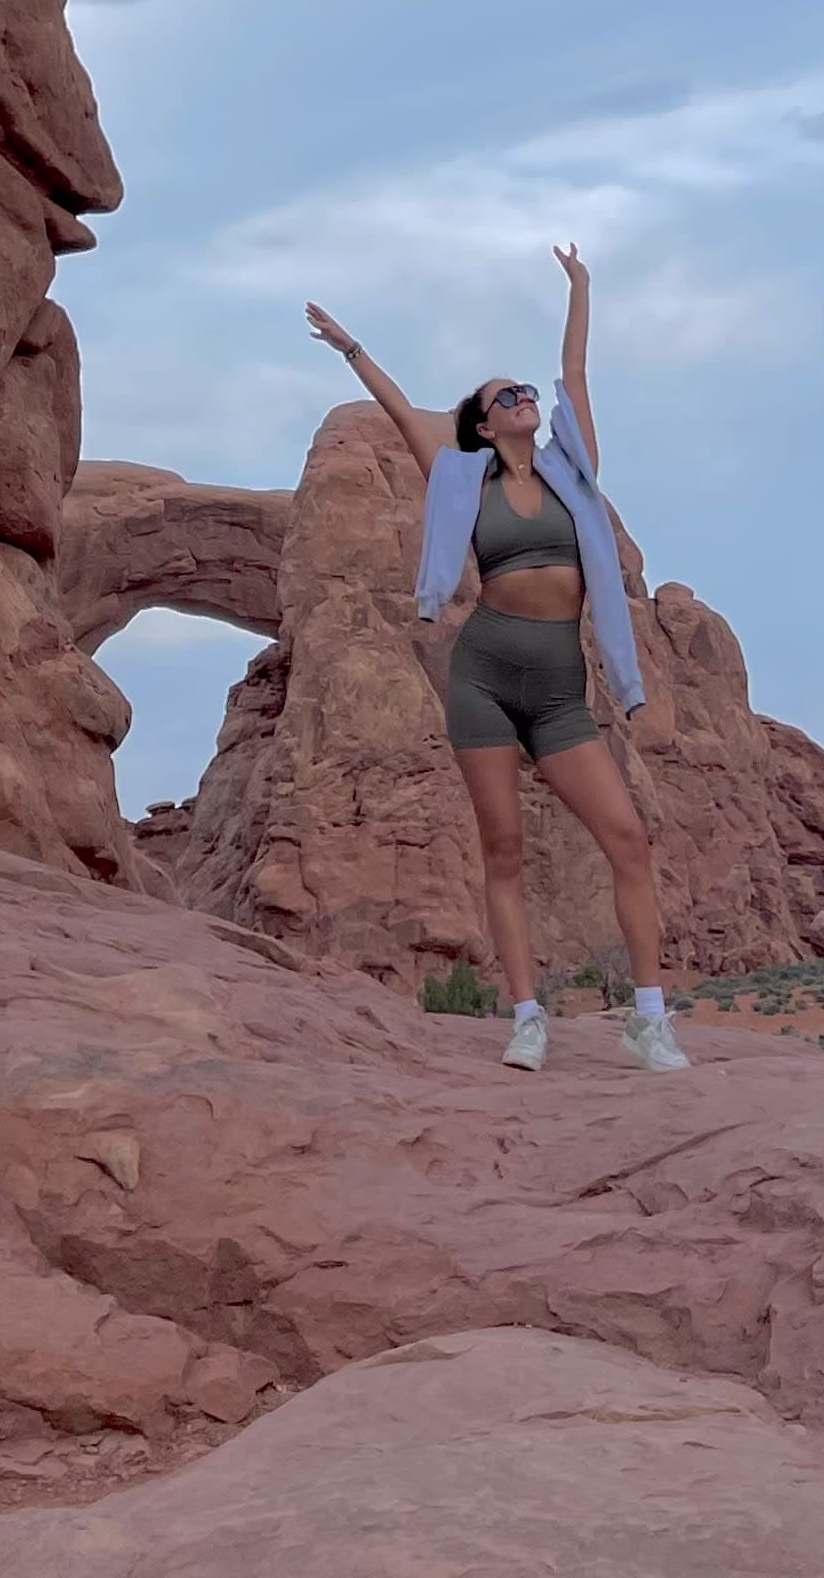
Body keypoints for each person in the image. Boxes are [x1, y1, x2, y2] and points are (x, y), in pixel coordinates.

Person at [304, 242, 690, 1074]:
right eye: (507, 396)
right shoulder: (461, 482)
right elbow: (407, 413)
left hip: (558, 687)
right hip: (482, 676)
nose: (525, 399)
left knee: (626, 836)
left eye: (526, 393)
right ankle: (525, 1015)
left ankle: (649, 1018)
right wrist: (350, 347)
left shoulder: (571, 475)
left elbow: (574, 365)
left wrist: (582, 284)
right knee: (504, 847)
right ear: (484, 424)